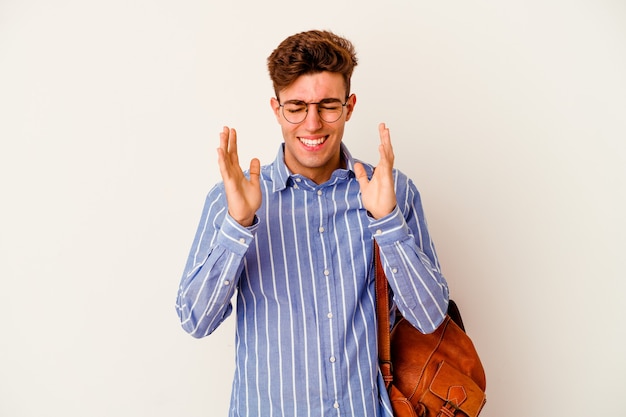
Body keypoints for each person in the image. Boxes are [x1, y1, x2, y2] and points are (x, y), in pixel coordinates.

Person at [175, 29, 449, 417]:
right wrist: (238, 225)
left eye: (328, 105)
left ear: (350, 106)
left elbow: (429, 317)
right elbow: (195, 320)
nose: (313, 123)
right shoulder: (231, 198)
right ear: (276, 108)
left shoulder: (392, 191)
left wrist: (386, 221)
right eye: (297, 106)